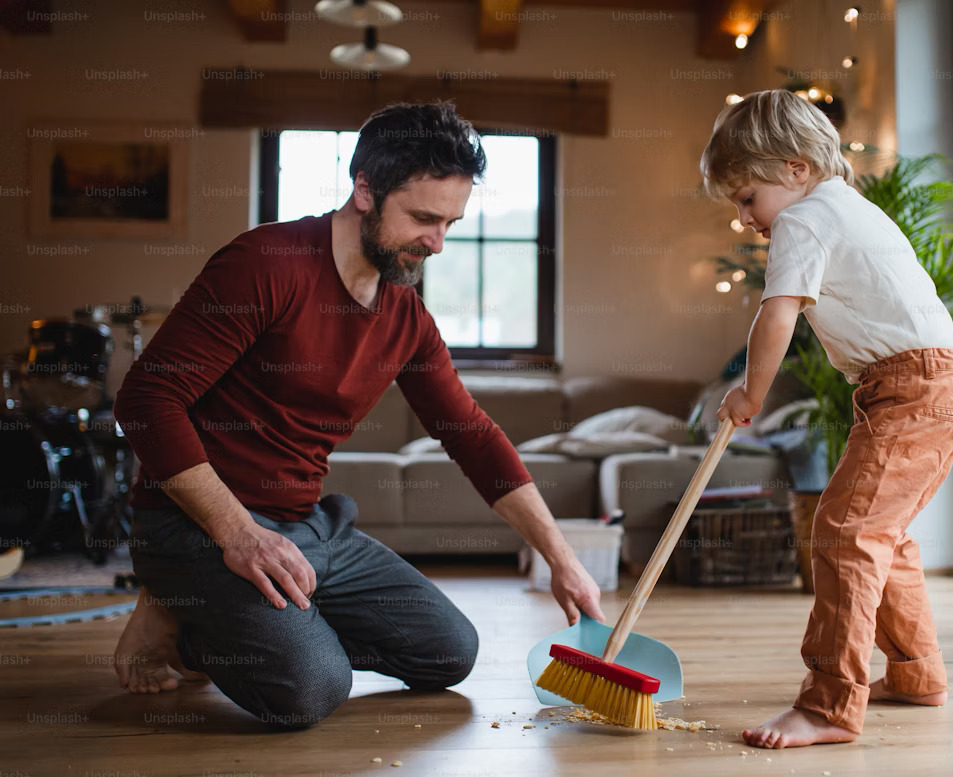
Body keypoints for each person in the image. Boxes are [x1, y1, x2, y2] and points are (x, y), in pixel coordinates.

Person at [111, 102, 605, 729]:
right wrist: (238, 535)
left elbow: (474, 438)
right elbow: (146, 400)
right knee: (311, 689)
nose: (438, 243)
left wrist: (562, 558)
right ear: (364, 190)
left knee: (449, 653)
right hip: (198, 525)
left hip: (309, 527)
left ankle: (228, 618)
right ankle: (181, 620)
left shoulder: (406, 316)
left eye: (451, 222)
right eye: (424, 219)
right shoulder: (265, 263)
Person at [704, 90, 953, 748]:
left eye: (747, 198)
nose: (744, 218)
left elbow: (776, 315)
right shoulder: (841, 209)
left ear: (795, 169)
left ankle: (828, 702)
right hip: (928, 384)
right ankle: (916, 673)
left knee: (844, 531)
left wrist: (749, 394)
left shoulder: (804, 220)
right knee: (884, 535)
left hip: (912, 386)